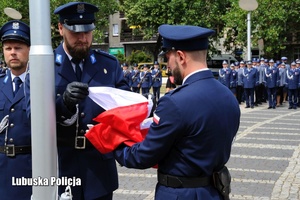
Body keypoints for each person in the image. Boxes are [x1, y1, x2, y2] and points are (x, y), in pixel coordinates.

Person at [114, 24, 240, 200]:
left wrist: (112, 143)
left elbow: (143, 157)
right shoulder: (228, 95)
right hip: (214, 192)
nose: (168, 65)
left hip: (180, 193)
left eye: (168, 57)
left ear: (180, 56)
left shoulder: (174, 102)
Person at [53, 2, 130, 199]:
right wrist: (64, 104)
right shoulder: (46, 64)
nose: (83, 38)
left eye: (87, 32)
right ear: (61, 28)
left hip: (99, 168)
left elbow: (126, 109)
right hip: (62, 164)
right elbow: (33, 115)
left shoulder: (108, 65)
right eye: (76, 32)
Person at [0, 20, 32, 199]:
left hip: (30, 168)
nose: (13, 52)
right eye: (8, 48)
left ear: (29, 50)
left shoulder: (42, 84)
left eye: (18, 47)